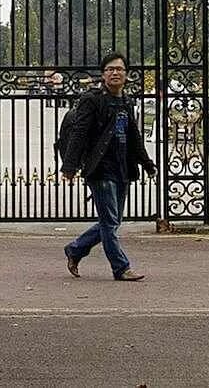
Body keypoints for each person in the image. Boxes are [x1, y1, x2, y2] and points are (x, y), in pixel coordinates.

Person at [58, 51, 156, 282]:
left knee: (111, 221)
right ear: (103, 74)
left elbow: (134, 136)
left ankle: (75, 249)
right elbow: (79, 134)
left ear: (126, 74)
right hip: (99, 168)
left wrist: (147, 163)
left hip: (122, 167)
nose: (115, 73)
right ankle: (121, 268)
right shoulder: (92, 99)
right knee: (110, 222)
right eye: (110, 69)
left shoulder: (126, 101)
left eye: (119, 69)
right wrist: (69, 167)